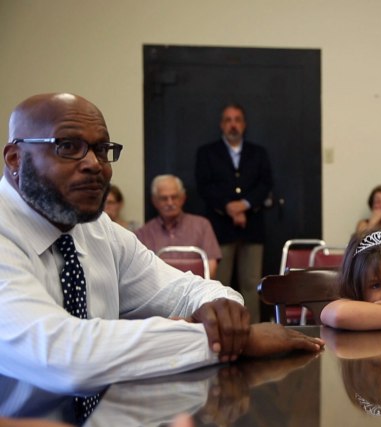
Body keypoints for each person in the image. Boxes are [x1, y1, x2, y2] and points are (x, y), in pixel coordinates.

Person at [0, 93, 323, 395]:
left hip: (118, 410)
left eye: (102, 149)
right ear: (15, 158)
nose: (94, 164)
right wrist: (233, 339)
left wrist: (222, 309)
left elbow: (186, 290)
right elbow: (64, 356)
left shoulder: (97, 230)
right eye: (67, 146)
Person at [195, 103, 273, 322]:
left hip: (253, 227)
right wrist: (229, 206)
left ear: (244, 125)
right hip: (219, 228)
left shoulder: (258, 153)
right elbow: (205, 186)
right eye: (228, 120)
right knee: (220, 284)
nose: (233, 124)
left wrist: (245, 205)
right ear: (221, 124)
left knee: (252, 284)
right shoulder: (207, 153)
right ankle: (222, 329)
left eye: (237, 119)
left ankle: (254, 331)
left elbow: (265, 184)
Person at [136, 174, 222, 278]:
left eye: (174, 197)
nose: (170, 202)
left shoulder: (202, 225)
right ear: (155, 201)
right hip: (159, 292)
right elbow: (140, 271)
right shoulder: (143, 233)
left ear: (183, 198)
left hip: (196, 290)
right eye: (164, 198)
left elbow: (211, 266)